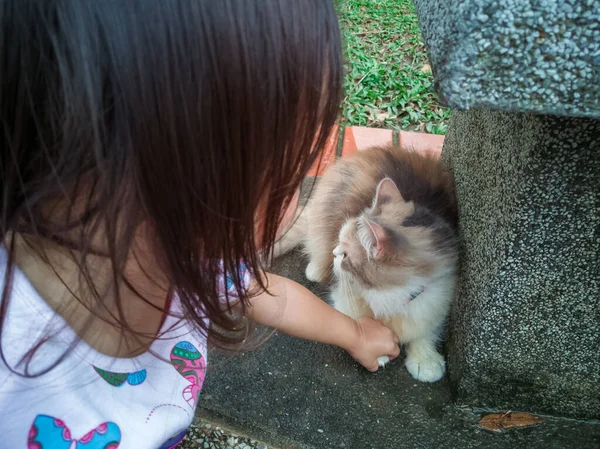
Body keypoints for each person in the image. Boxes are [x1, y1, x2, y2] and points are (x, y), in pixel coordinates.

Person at [0, 1, 400, 448]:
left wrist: (355, 332)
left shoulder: (190, 253)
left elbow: (275, 298)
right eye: (289, 173)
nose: (297, 195)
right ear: (194, 179)